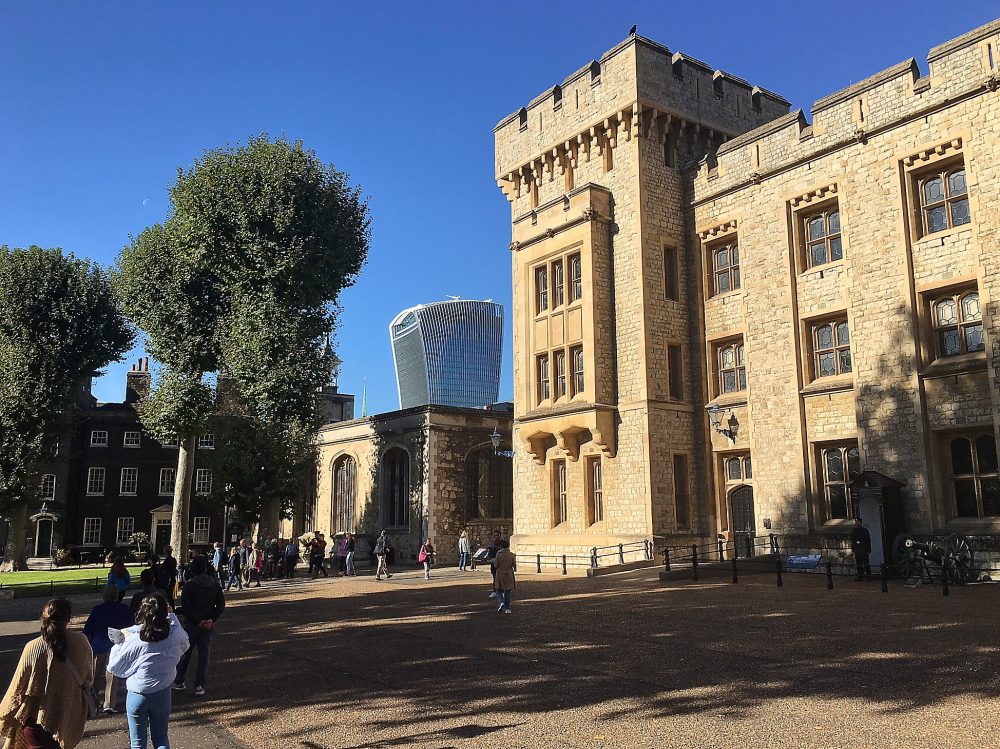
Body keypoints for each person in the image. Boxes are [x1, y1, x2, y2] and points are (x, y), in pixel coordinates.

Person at [0, 598, 94, 749]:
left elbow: (17, 687)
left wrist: (5, 714)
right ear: (68, 618)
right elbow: (88, 678)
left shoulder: (32, 648)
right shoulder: (81, 642)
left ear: (43, 618)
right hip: (69, 717)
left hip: (35, 721)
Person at [107, 592, 190, 749]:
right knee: (161, 739)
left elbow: (114, 667)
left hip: (138, 694)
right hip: (163, 692)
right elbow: (186, 644)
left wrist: (119, 643)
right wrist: (173, 617)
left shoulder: (136, 640)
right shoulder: (175, 635)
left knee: (138, 743)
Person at [173, 557, 225, 698]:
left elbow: (186, 607)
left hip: (192, 623)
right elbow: (221, 604)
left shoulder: (190, 585)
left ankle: (179, 680)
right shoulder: (214, 585)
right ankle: (199, 685)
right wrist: (211, 619)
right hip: (207, 624)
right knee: (203, 656)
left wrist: (198, 620)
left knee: (186, 654)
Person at [83, 586, 134, 714]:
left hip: (98, 644)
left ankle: (93, 701)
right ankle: (109, 703)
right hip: (116, 645)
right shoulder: (123, 609)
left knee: (95, 675)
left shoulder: (97, 609)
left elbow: (88, 629)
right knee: (112, 675)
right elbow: (130, 627)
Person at [493, 540, 516, 614]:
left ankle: (501, 603)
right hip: (509, 574)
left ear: (501, 546)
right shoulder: (512, 555)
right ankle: (508, 608)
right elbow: (514, 566)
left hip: (500, 574)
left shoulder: (498, 554)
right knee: (508, 592)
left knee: (499, 590)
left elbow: (496, 565)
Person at [486, 530, 503, 599]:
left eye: (498, 535)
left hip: (501, 564)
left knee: (500, 578)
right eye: (495, 535)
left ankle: (501, 592)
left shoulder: (502, 544)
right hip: (493, 563)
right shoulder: (492, 544)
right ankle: (495, 591)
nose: (496, 537)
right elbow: (489, 553)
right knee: (495, 578)